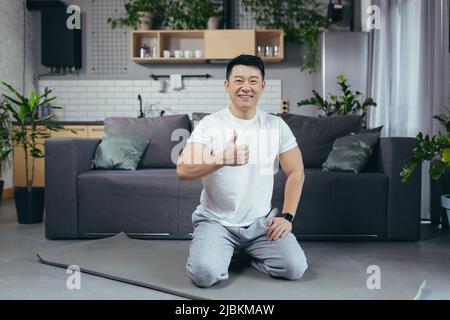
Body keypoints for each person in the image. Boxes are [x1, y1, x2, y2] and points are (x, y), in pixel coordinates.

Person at [176, 54, 308, 288]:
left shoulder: (276, 125)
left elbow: (296, 171)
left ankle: (244, 253)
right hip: (216, 222)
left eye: (253, 81)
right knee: (204, 275)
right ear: (227, 85)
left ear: (262, 86)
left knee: (295, 268)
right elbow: (183, 170)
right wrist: (220, 159)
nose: (246, 87)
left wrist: (287, 216)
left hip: (260, 224)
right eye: (238, 80)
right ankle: (221, 249)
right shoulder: (210, 124)